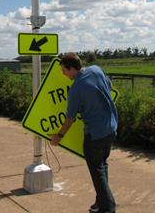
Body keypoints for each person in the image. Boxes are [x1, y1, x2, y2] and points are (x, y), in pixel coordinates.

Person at [50, 52, 118, 213]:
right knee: (102, 166)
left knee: (97, 171)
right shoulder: (96, 70)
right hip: (112, 128)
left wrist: (58, 136)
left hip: (95, 134)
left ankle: (108, 208)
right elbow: (109, 86)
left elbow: (70, 119)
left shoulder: (76, 89)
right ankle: (101, 202)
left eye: (64, 70)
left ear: (72, 68)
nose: (63, 74)